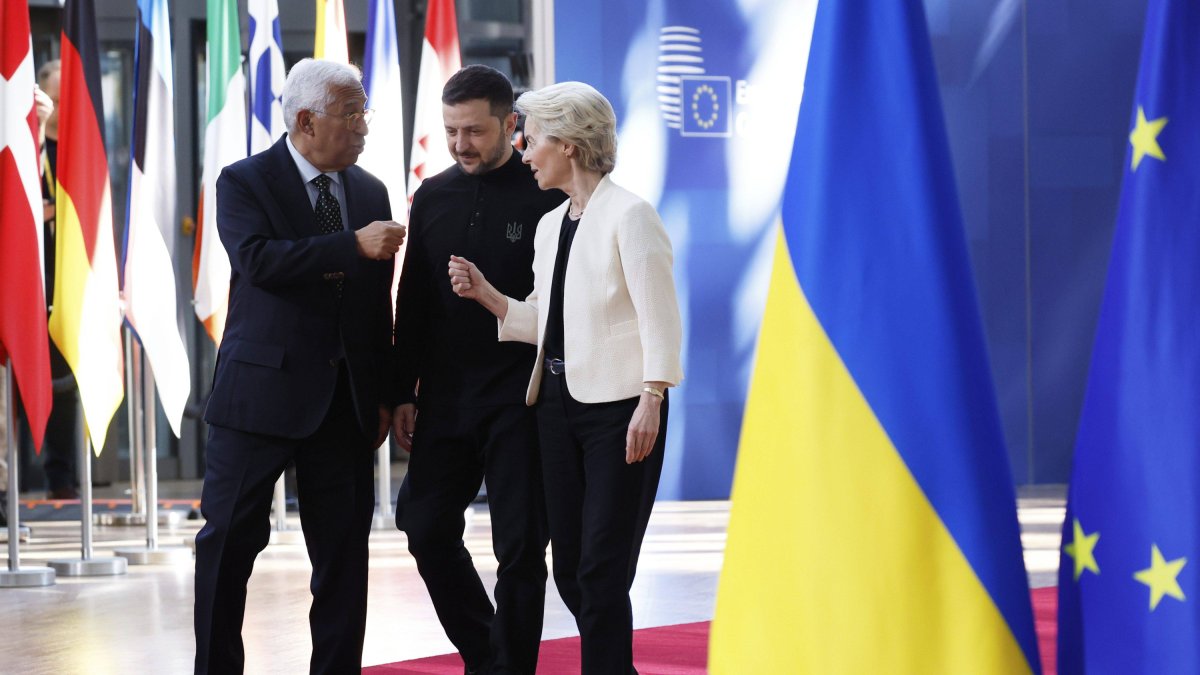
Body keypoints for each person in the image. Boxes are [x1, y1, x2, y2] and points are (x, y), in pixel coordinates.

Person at [448, 81, 684, 674]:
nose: (524, 152)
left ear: (570, 145)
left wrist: (651, 400)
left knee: (602, 570)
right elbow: (549, 321)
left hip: (621, 411)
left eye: (533, 140)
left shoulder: (631, 215)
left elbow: (661, 320)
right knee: (573, 569)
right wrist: (491, 298)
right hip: (555, 407)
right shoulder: (552, 225)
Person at [193, 59, 406, 675]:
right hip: (258, 395)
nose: (364, 125)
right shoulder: (244, 181)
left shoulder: (368, 191)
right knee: (228, 547)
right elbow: (259, 262)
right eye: (352, 113)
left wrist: (388, 392)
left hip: (344, 404)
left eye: (365, 110)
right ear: (307, 120)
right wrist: (351, 245)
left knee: (342, 561)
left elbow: (375, 306)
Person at [391, 64, 563, 675]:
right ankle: (488, 656)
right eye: (451, 131)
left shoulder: (549, 191)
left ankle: (510, 667)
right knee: (423, 524)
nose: (461, 144)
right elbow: (413, 301)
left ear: (511, 125)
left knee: (519, 548)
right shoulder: (432, 195)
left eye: (475, 131)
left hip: (524, 397)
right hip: (445, 398)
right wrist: (401, 390)